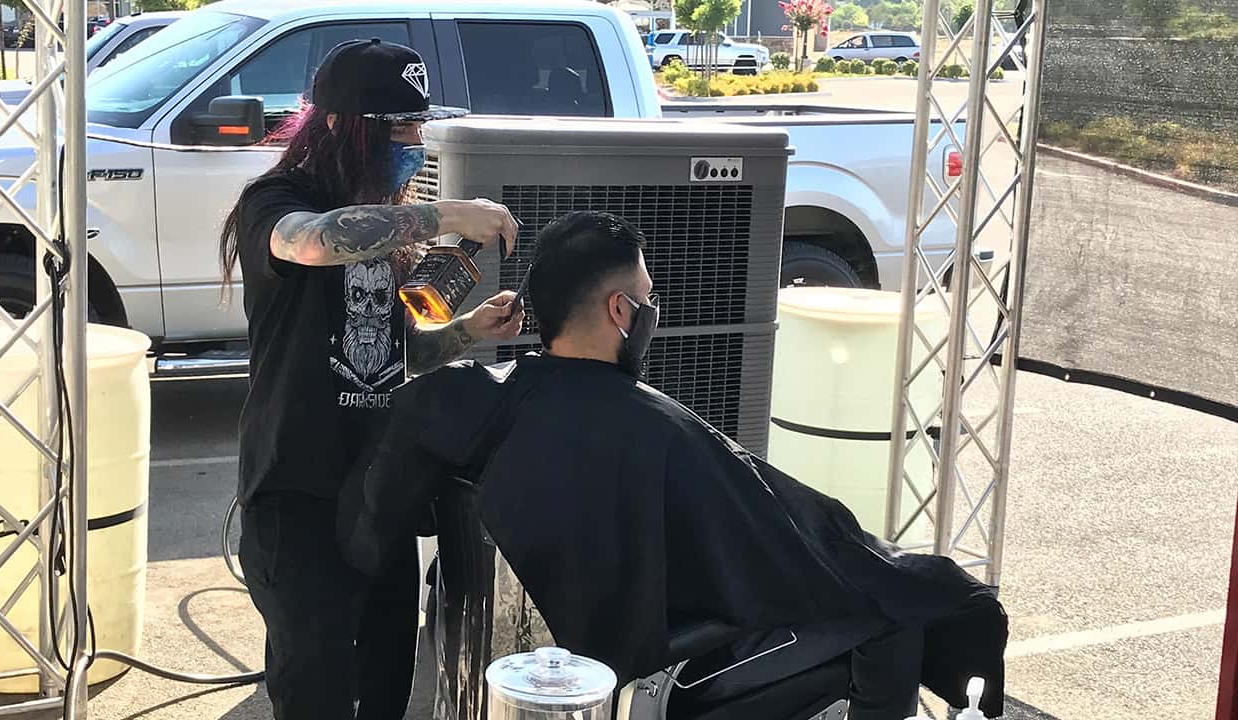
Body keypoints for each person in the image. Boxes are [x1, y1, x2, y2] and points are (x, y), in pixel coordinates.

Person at [337, 211, 1009, 719]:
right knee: (899, 604)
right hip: (648, 674)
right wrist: (927, 583)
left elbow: (372, 522)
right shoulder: (661, 427)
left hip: (497, 670)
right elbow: (804, 545)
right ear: (621, 311)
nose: (651, 308)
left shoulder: (463, 399)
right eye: (647, 296)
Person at [217, 38, 525, 720]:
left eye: (419, 127)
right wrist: (447, 214)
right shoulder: (278, 200)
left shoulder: (388, 229)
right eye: (401, 130)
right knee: (316, 693)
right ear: (338, 126)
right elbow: (311, 241)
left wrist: (470, 331)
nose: (414, 143)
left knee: (387, 681)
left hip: (377, 494)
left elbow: (397, 354)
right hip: (297, 499)